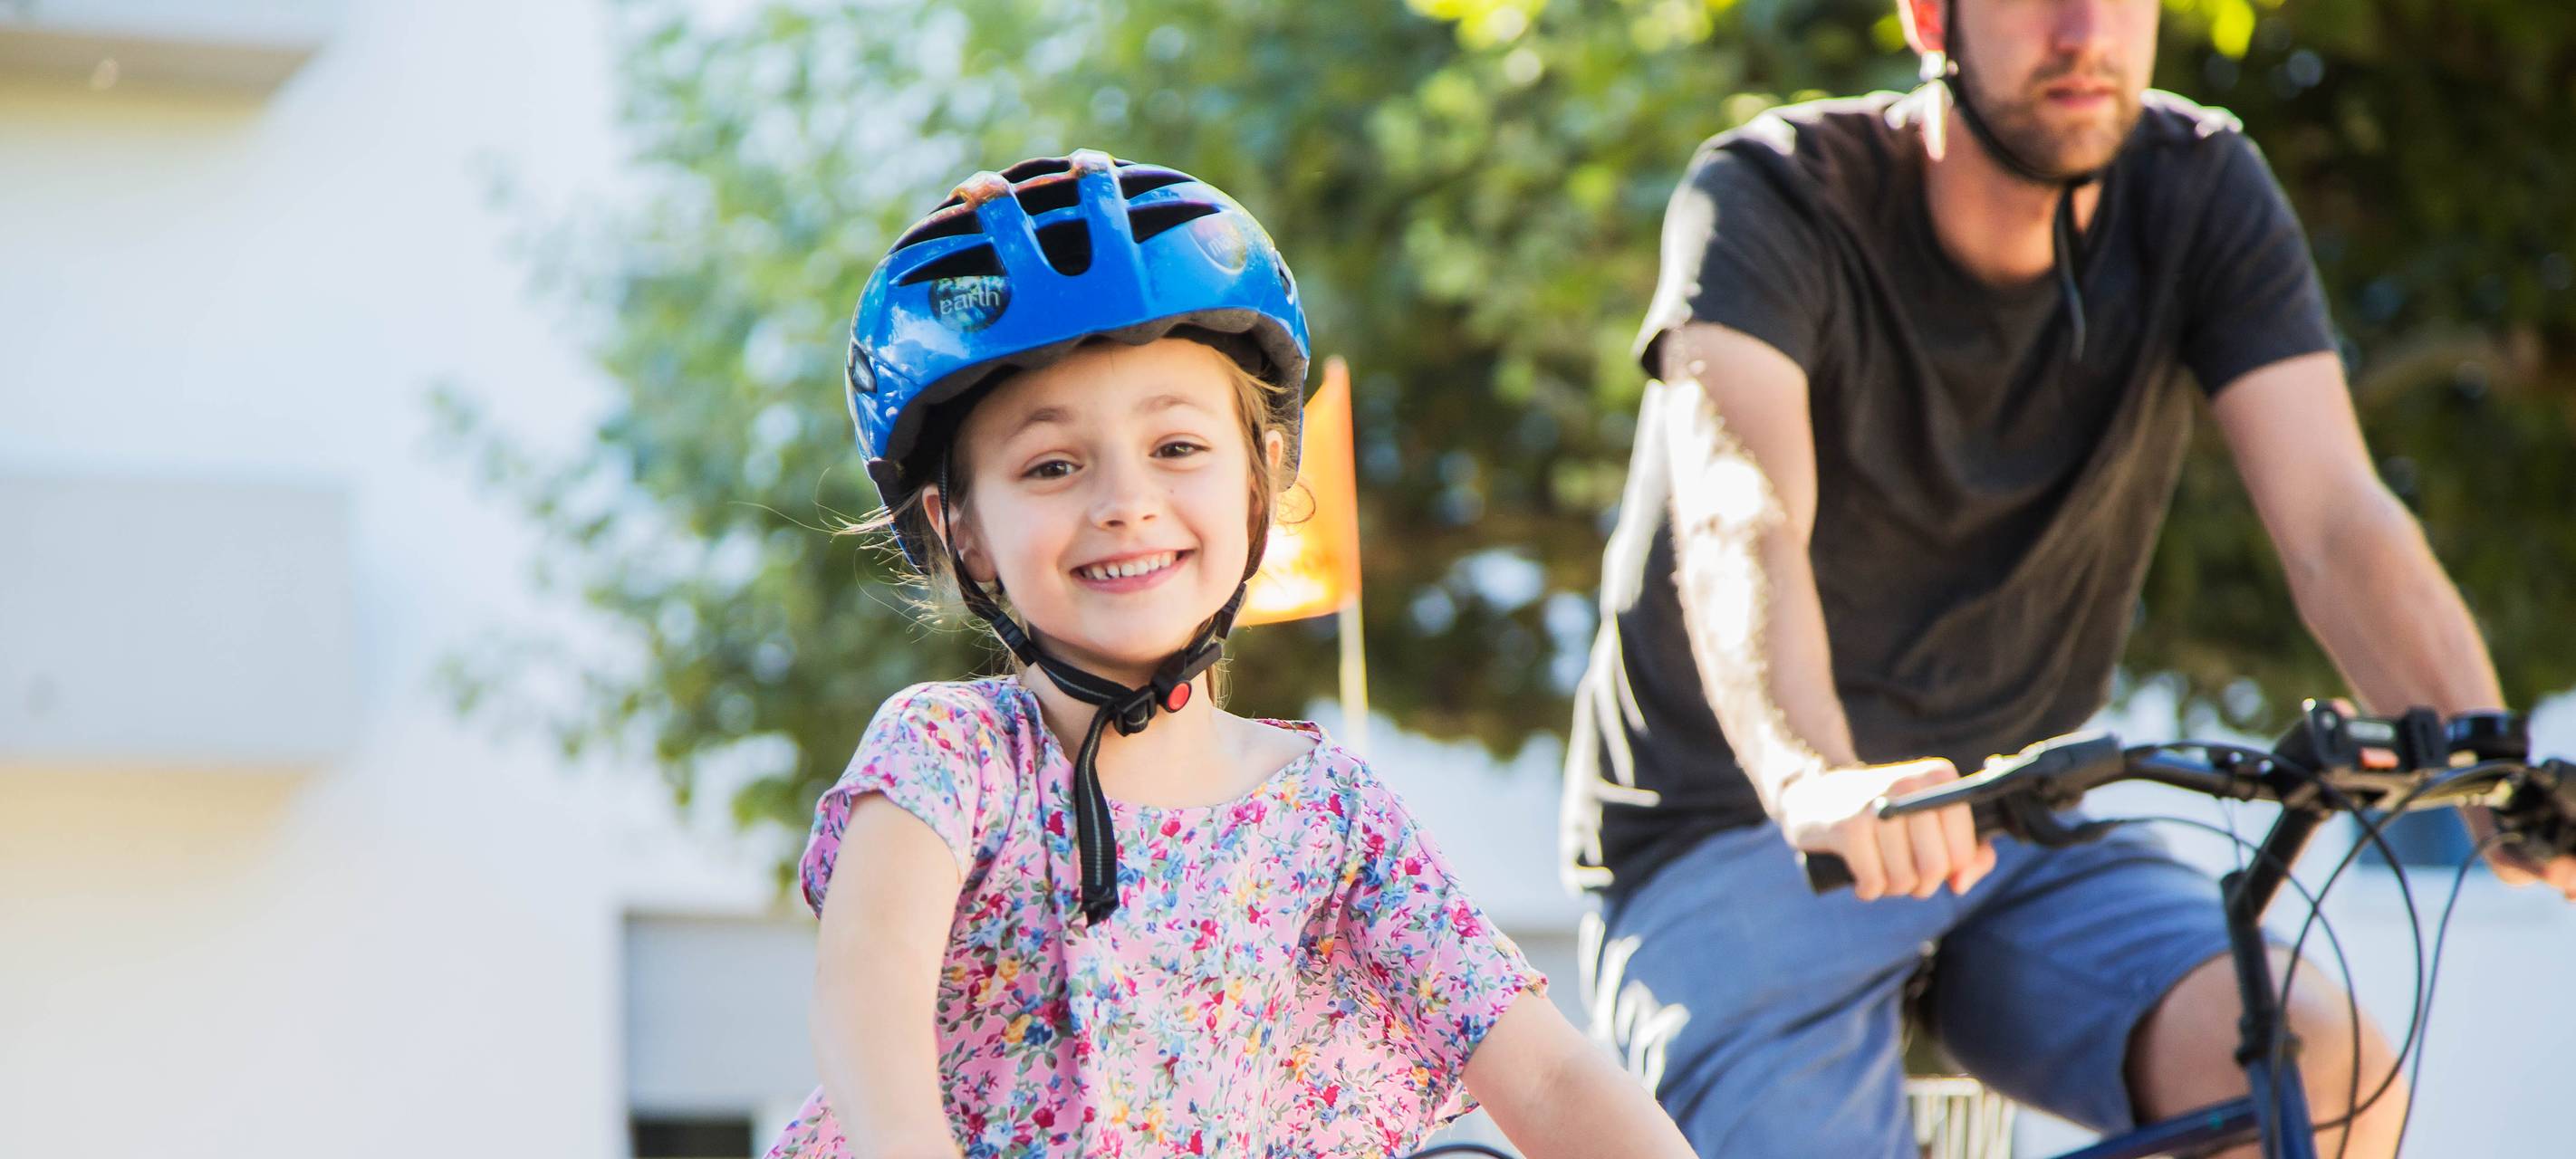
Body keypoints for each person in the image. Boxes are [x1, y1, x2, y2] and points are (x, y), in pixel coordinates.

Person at [1560, 2, 2576, 1156]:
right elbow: (1743, 506)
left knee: (2320, 1070)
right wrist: (1814, 777)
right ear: (1928, 16)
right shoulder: (1771, 191)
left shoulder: (2199, 186)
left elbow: (2337, 518)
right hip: (1746, 832)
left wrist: (2502, 772)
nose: (2085, 28)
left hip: (2021, 818)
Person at [765, 151, 1692, 1159]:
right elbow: (867, 996)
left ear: (1261, 478)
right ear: (963, 530)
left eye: (1176, 447)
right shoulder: (952, 753)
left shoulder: (1329, 812)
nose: (1124, 500)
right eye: (1052, 464)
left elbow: (1548, 1072)